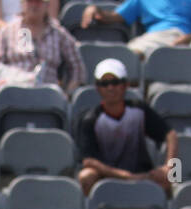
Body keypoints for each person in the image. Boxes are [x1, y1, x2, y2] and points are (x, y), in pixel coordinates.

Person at [75, 58, 177, 196]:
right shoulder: (90, 119)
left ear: (125, 85)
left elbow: (171, 135)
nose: (110, 88)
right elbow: (88, 161)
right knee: (86, 176)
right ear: (98, 88)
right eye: (104, 84)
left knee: (174, 177)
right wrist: (124, 176)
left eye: (115, 82)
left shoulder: (140, 110)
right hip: (106, 176)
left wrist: (170, 166)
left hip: (143, 173)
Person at [83, 0, 191, 62]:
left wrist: (187, 39)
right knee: (130, 56)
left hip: (190, 39)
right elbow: (115, 16)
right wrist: (95, 9)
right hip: (156, 37)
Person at [0, 0, 84, 95]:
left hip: (47, 94)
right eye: (30, 1)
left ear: (47, 5)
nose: (34, 5)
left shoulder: (58, 33)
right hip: (14, 90)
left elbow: (77, 66)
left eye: (39, 2)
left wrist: (68, 93)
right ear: (22, 4)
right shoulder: (8, 30)